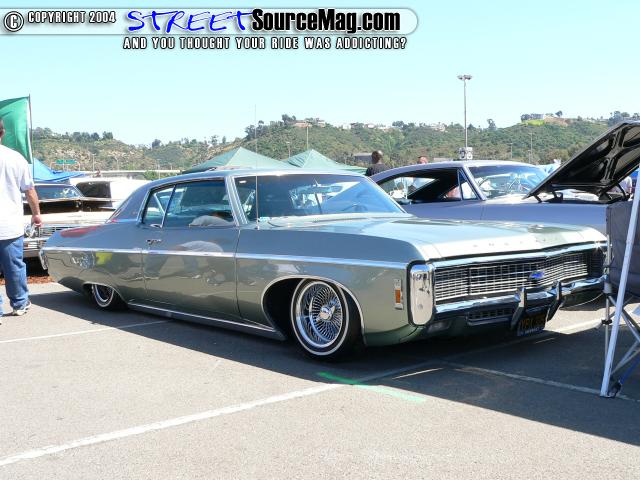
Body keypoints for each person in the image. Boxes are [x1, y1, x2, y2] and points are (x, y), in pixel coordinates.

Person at [0, 117, 42, 320]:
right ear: (2, 133)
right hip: (10, 226)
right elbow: (29, 190)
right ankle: (19, 303)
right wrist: (36, 214)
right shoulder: (16, 158)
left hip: (9, 225)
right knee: (14, 267)